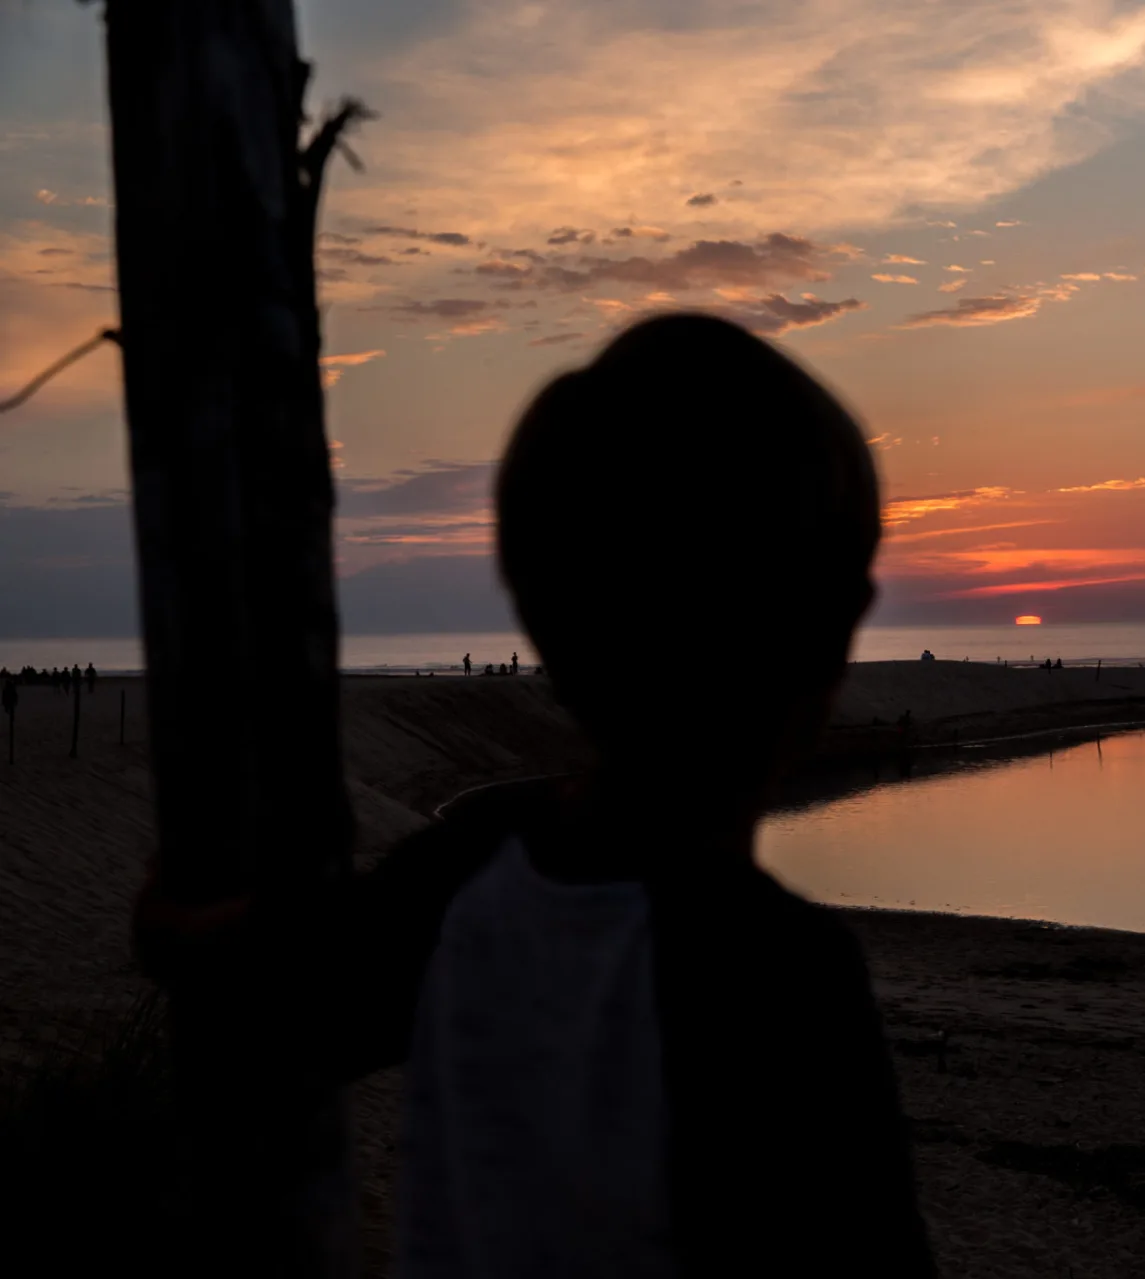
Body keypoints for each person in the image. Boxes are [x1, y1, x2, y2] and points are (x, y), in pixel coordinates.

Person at [135, 314, 931, 1278]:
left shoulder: (460, 878)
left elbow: (263, 977)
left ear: (548, 627)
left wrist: (185, 927)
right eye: (850, 582)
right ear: (817, 636)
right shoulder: (783, 977)